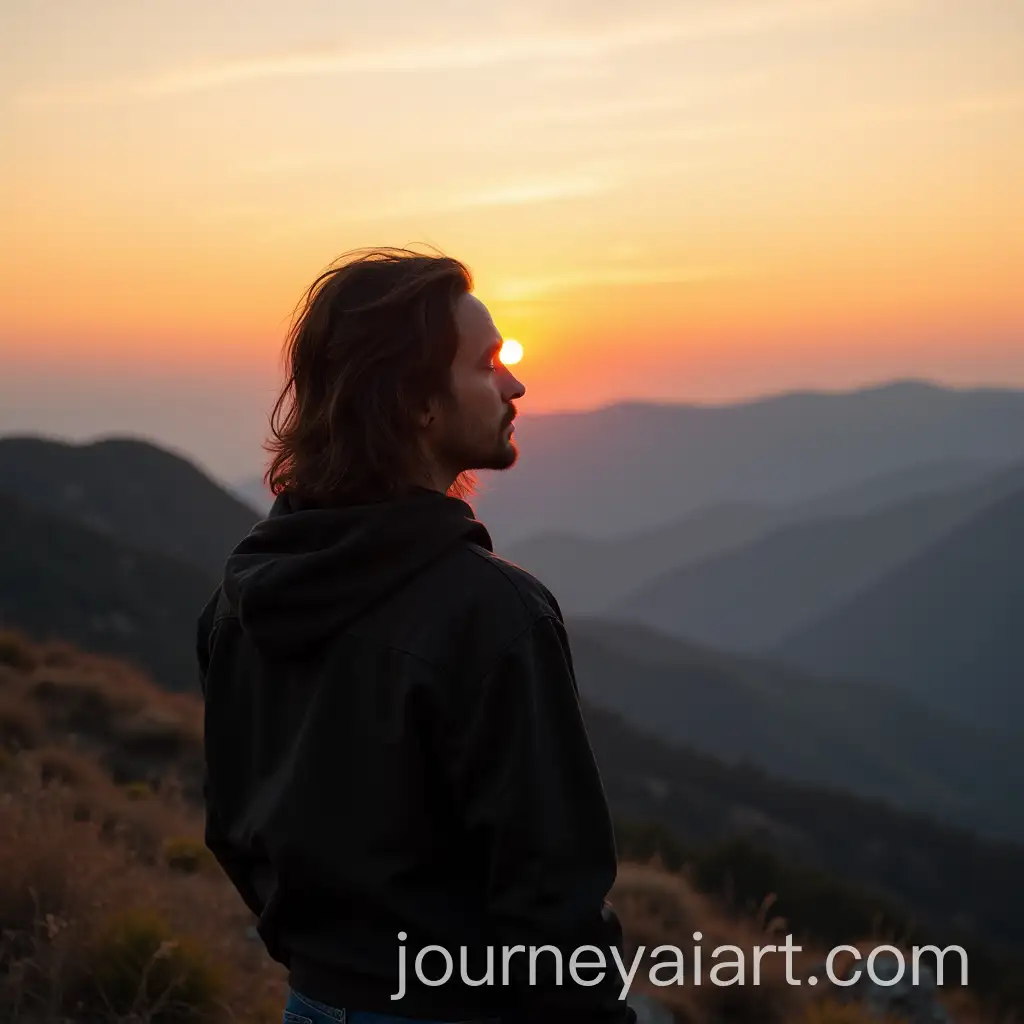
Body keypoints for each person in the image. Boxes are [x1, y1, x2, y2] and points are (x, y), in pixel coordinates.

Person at [197, 248, 638, 1024]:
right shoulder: (494, 615)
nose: (515, 384)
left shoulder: (241, 601)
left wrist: (331, 966)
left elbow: (231, 826)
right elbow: (552, 903)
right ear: (417, 405)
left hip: (314, 1002)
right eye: (487, 365)